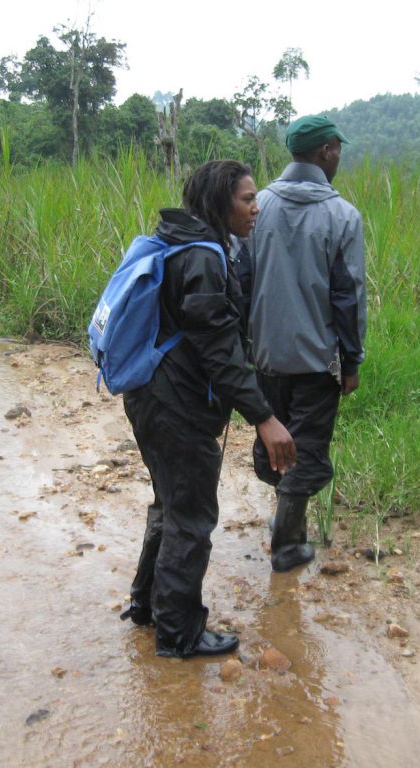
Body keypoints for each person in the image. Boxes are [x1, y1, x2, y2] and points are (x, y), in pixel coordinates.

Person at [120, 160, 296, 658]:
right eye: (246, 198)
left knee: (170, 504)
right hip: (176, 405)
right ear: (222, 203)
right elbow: (219, 349)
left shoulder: (182, 241)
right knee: (191, 518)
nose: (256, 207)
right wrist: (265, 418)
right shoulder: (204, 257)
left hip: (153, 395)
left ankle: (147, 607)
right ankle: (179, 635)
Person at [246, 115, 367, 572]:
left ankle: (287, 521)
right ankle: (287, 543)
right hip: (317, 362)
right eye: (338, 149)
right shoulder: (342, 215)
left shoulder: (256, 206)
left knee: (275, 446)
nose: (339, 156)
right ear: (326, 152)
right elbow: (348, 295)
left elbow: (240, 282)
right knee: (307, 450)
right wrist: (352, 360)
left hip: (264, 358)